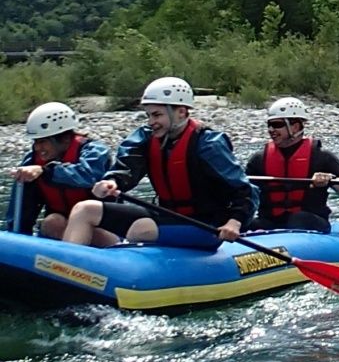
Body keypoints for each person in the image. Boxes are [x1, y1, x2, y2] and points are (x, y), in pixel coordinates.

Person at [61, 75, 254, 248]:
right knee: (84, 209)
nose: (151, 121)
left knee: (141, 229)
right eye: (149, 115)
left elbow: (243, 190)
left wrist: (234, 222)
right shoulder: (145, 139)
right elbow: (127, 168)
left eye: (157, 115)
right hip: (166, 217)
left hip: (206, 225)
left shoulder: (208, 144)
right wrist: (112, 181)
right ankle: (66, 269)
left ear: (181, 112)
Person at [246, 97, 339, 233]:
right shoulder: (258, 159)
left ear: (295, 126)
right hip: (271, 222)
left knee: (298, 219)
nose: (271, 129)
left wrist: (332, 180)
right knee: (247, 224)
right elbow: (242, 192)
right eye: (269, 125)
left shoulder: (321, 156)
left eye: (277, 124)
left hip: (310, 222)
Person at [8, 102, 113, 240]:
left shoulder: (95, 151)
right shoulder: (33, 161)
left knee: (97, 234)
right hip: (61, 223)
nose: (38, 148)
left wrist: (45, 171)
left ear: (64, 138)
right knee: (52, 222)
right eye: (35, 142)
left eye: (43, 141)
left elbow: (88, 175)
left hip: (99, 222)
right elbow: (23, 207)